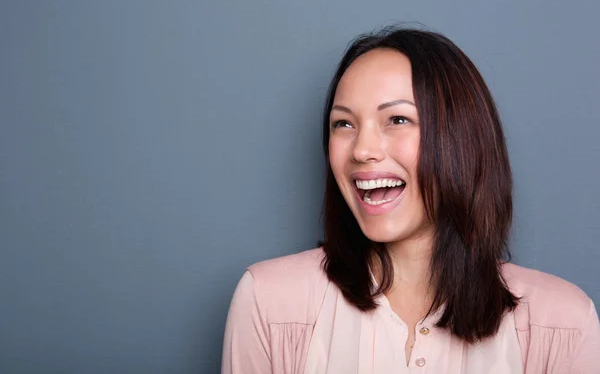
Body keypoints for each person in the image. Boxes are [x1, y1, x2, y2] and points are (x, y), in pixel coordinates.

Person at [221, 27, 600, 373]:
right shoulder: (269, 302)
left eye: (398, 120)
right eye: (343, 124)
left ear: (461, 140)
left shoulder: (563, 323)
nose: (362, 150)